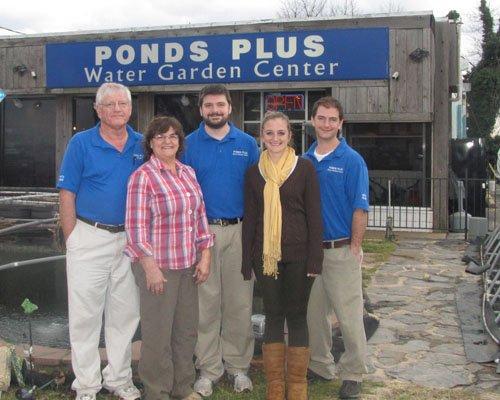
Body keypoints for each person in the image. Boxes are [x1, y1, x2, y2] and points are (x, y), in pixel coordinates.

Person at [57, 83, 143, 400]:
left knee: (125, 314)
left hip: (130, 240)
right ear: (98, 109)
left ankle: (119, 379)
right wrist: (73, 239)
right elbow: (67, 193)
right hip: (88, 236)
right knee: (85, 316)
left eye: (123, 103)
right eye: (110, 104)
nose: (117, 109)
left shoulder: (142, 143)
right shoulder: (81, 143)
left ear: (130, 108)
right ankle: (87, 385)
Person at [125, 116, 214, 400]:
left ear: (180, 141)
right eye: (161, 136)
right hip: (158, 267)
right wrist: (149, 267)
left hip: (188, 265)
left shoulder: (188, 172)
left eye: (173, 136)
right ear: (151, 142)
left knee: (186, 333)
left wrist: (205, 256)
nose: (168, 141)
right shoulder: (143, 177)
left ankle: (182, 388)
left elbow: (200, 218)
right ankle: (157, 392)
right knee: (157, 336)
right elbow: (136, 229)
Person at [181, 84, 260, 397]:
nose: (215, 110)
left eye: (220, 105)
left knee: (240, 302)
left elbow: (258, 192)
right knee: (205, 304)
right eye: (209, 105)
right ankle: (208, 369)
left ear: (230, 108)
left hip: (240, 231)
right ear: (201, 110)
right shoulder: (187, 145)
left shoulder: (247, 143)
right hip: (203, 234)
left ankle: (238, 366)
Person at [242, 112, 323, 400]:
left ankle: (297, 386)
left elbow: (314, 216)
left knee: (297, 316)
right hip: (266, 258)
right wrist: (245, 261)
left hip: (300, 256)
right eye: (269, 133)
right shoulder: (254, 172)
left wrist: (316, 259)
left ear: (290, 136)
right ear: (261, 137)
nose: (275, 139)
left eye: (280, 133)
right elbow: (250, 220)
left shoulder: (305, 169)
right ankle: (276, 384)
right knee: (273, 316)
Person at [304, 97, 370, 400]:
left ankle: (354, 373)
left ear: (340, 123)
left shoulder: (352, 160)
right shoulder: (304, 160)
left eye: (332, 119)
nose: (326, 124)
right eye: (321, 118)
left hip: (341, 249)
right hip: (311, 252)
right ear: (313, 121)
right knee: (314, 313)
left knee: (349, 315)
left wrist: (355, 245)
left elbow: (360, 208)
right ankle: (321, 366)